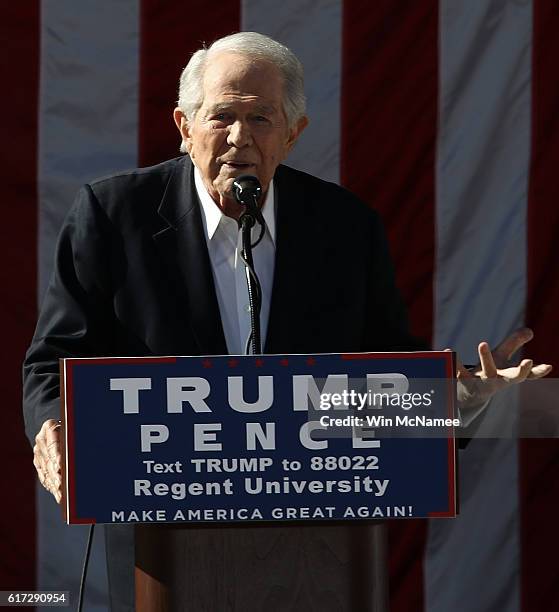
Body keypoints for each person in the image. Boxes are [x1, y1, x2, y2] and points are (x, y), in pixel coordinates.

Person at [24, 31, 551, 610]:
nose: (238, 138)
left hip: (314, 544)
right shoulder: (112, 215)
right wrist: (56, 429)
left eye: (261, 119)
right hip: (162, 538)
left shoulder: (346, 228)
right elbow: (52, 362)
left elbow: (385, 375)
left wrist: (461, 398)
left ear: (293, 134)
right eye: (221, 116)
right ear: (184, 125)